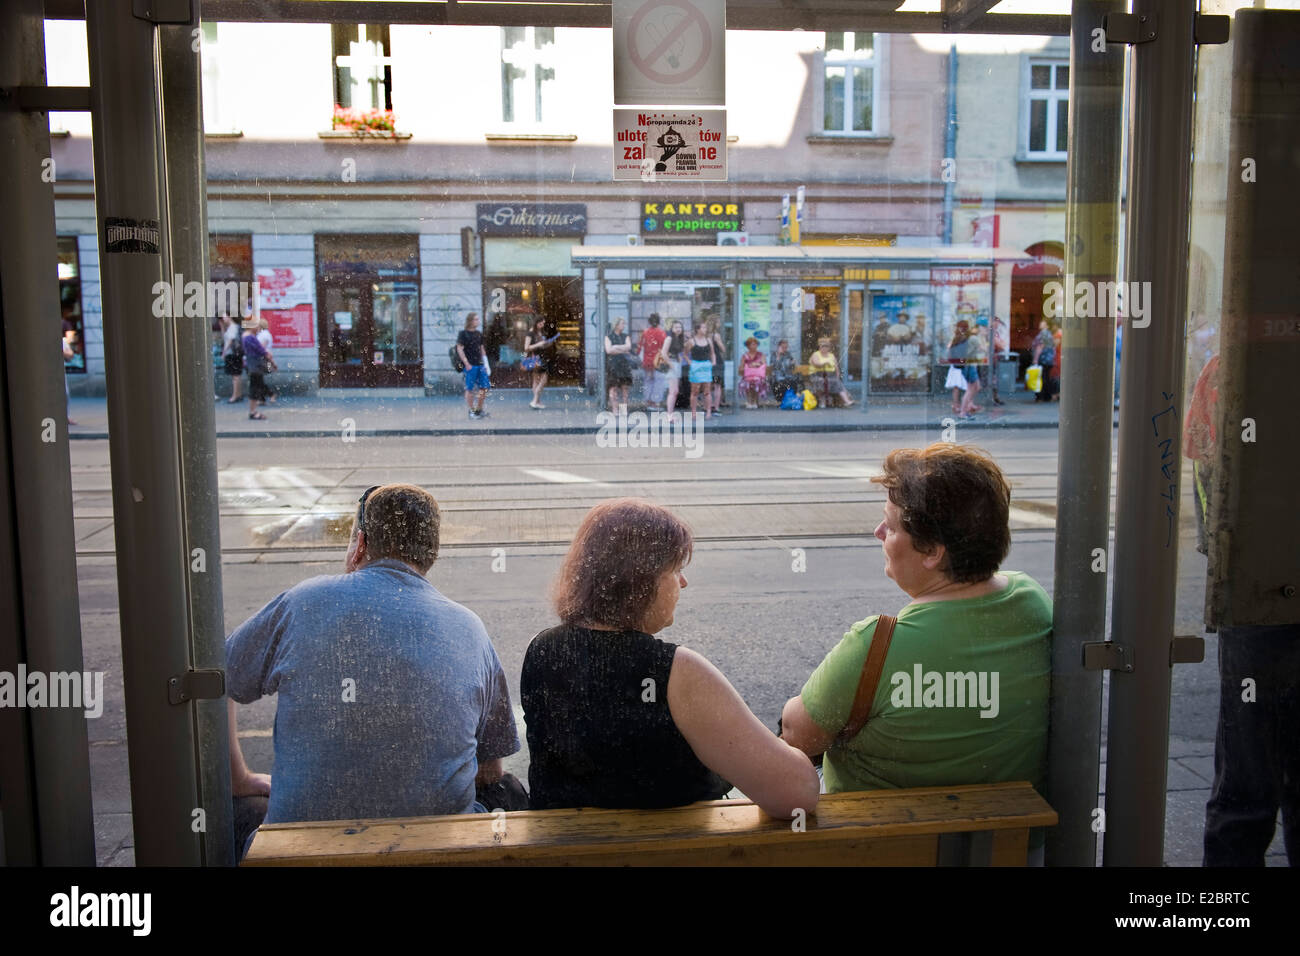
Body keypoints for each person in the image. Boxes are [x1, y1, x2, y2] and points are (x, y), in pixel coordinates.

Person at [780, 444, 1052, 860]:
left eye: (890, 527)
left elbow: (798, 735)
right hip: (1007, 849)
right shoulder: (1031, 600)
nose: (877, 533)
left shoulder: (878, 643)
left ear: (932, 552)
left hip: (883, 852)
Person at [225, 483, 522, 859]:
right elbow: (490, 769)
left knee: (242, 811)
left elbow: (218, 677)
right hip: (433, 855)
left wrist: (240, 779)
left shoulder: (303, 600)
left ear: (360, 544)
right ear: (431, 554)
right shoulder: (470, 628)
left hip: (303, 855)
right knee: (505, 790)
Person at [521, 498, 819, 817]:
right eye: (675, 570)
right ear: (641, 580)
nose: (683, 582)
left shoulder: (542, 650)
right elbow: (795, 795)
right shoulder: (675, 672)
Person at [457, 311, 490, 419]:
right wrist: (466, 363)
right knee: (469, 389)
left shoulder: (478, 333)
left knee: (484, 388)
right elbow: (459, 349)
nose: (478, 321)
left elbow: (482, 349)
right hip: (470, 365)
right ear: (470, 321)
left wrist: (486, 363)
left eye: (478, 319)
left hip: (480, 365)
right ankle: (472, 411)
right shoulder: (463, 334)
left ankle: (479, 410)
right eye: (476, 319)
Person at [241, 319, 276, 421]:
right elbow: (262, 351)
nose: (258, 328)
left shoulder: (245, 336)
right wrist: (273, 364)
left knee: (256, 385)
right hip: (256, 365)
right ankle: (253, 411)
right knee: (255, 386)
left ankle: (258, 406)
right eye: (256, 326)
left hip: (251, 364)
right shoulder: (250, 337)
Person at [807, 337, 855, 407]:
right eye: (823, 346)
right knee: (822, 381)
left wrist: (837, 375)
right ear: (820, 347)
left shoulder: (831, 355)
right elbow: (816, 363)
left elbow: (836, 367)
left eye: (826, 346)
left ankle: (847, 401)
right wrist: (826, 363)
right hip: (817, 375)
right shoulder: (816, 354)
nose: (824, 348)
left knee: (837, 382)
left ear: (829, 348)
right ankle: (822, 400)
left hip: (830, 376)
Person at [522, 315, 554, 410]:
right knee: (543, 380)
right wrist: (539, 344)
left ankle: (537, 402)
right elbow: (526, 348)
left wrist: (547, 343)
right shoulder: (530, 333)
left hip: (542, 357)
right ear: (536, 323)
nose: (542, 325)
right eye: (541, 323)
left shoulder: (540, 332)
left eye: (543, 323)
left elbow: (542, 346)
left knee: (536, 380)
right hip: (536, 359)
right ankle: (535, 400)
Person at [686, 322, 716, 419]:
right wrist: (690, 362)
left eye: (705, 327)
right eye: (703, 327)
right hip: (696, 365)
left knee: (707, 391)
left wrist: (713, 361)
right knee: (695, 391)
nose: (705, 329)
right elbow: (685, 353)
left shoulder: (708, 340)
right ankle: (694, 412)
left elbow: (712, 353)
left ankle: (708, 411)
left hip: (706, 366)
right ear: (698, 329)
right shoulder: (692, 341)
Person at [639, 313, 668, 410]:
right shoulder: (662, 333)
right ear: (659, 321)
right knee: (659, 382)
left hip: (647, 360)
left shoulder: (645, 332)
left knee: (648, 381)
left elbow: (640, 347)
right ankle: (655, 403)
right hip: (658, 360)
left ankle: (648, 402)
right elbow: (665, 348)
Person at [604, 317, 634, 411]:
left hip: (624, 365)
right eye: (622, 324)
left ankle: (623, 410)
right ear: (616, 325)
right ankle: (615, 410)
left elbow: (628, 347)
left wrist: (615, 347)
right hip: (613, 365)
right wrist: (622, 349)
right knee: (613, 388)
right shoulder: (608, 337)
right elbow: (608, 350)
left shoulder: (626, 336)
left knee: (625, 389)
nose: (624, 325)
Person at [661, 319, 687, 416]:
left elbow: (677, 352)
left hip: (676, 364)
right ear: (672, 329)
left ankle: (670, 413)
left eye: (680, 327)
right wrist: (670, 364)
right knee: (673, 391)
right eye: (676, 327)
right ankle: (669, 414)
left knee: (675, 391)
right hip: (672, 365)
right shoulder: (669, 338)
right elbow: (663, 353)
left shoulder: (678, 339)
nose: (678, 329)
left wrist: (679, 359)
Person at [220, 314, 244, 404]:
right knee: (236, 375)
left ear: (230, 317)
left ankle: (235, 396)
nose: (223, 318)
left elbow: (230, 341)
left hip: (233, 354)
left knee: (235, 376)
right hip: (233, 354)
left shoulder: (233, 327)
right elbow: (225, 339)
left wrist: (224, 352)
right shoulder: (230, 327)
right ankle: (238, 394)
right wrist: (222, 327)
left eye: (224, 316)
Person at [1031, 320, 1056, 403]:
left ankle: (1040, 396)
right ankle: (1047, 396)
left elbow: (1040, 347)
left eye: (1043, 324)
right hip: (1049, 359)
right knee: (1046, 377)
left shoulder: (1043, 334)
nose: (1040, 324)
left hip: (1043, 359)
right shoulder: (1049, 334)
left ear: (1047, 326)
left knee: (1041, 378)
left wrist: (1035, 359)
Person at [739, 337, 768, 409]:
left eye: (755, 344)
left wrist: (757, 364)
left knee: (757, 381)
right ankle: (749, 401)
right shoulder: (745, 356)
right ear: (748, 346)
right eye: (752, 345)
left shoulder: (761, 354)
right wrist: (749, 366)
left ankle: (755, 401)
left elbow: (764, 364)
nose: (754, 346)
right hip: (748, 375)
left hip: (758, 375)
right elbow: (741, 367)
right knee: (747, 382)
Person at [708, 317, 728, 413]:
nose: (720, 324)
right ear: (715, 324)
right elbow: (723, 349)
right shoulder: (716, 335)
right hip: (717, 363)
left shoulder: (705, 335)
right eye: (718, 322)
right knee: (717, 386)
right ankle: (716, 407)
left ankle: (708, 405)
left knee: (709, 385)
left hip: (707, 361)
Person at [257, 318, 277, 405]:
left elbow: (262, 348)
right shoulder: (263, 334)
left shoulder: (264, 335)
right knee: (259, 379)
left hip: (264, 359)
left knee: (259, 379)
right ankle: (262, 398)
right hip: (264, 359)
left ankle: (271, 394)